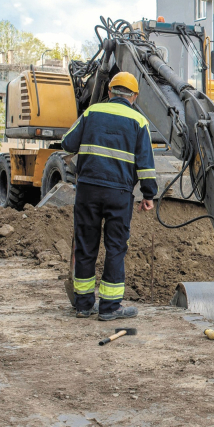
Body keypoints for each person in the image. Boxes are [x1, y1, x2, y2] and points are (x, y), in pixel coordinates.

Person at [62, 72, 157, 320]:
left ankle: (83, 304)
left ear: (110, 92)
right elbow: (145, 164)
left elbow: (67, 143)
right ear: (134, 97)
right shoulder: (139, 121)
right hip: (119, 194)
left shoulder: (92, 113)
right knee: (115, 248)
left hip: (88, 191)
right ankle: (110, 307)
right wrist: (149, 194)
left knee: (85, 245)